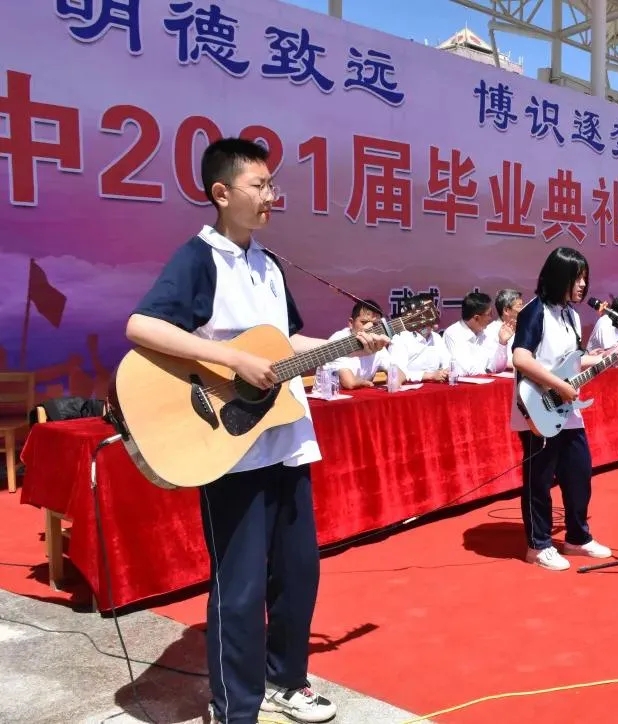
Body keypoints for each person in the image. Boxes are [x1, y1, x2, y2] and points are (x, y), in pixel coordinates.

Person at [125, 138, 390, 724]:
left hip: (286, 435)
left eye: (272, 184)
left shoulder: (269, 264)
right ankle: (235, 708)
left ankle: (285, 681)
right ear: (222, 193)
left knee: (298, 572)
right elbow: (142, 326)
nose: (272, 195)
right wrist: (234, 361)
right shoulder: (199, 259)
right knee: (240, 587)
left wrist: (346, 345)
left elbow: (284, 342)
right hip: (230, 445)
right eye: (260, 185)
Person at [511, 247, 618, 571]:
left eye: (585, 278)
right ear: (559, 277)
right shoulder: (534, 311)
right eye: (577, 278)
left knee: (579, 474)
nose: (583, 285)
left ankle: (577, 537)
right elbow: (521, 358)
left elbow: (574, 360)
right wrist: (558, 386)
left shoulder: (571, 316)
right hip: (537, 407)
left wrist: (606, 357)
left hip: (567, 410)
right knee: (540, 479)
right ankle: (538, 545)